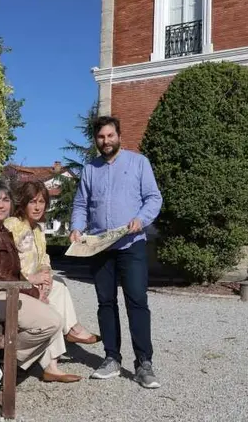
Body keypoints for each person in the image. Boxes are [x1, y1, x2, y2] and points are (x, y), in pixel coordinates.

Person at [0, 180, 82, 383]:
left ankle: (16, 361)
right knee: (51, 321)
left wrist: (34, 286)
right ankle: (6, 360)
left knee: (52, 311)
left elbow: (12, 271)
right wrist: (32, 292)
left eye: (5, 200)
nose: (1, 205)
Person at [70, 115, 163, 389]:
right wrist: (76, 228)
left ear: (118, 135)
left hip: (131, 244)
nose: (106, 141)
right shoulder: (90, 169)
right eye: (101, 137)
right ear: (95, 139)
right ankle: (111, 357)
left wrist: (141, 219)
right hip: (100, 248)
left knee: (136, 301)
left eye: (110, 136)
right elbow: (80, 205)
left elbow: (154, 198)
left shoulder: (138, 163)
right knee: (106, 303)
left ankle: (144, 363)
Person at [3, 180, 100, 346]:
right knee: (58, 291)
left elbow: (43, 257)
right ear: (23, 203)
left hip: (34, 282)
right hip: (15, 284)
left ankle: (68, 333)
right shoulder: (12, 225)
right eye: (32, 202)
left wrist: (46, 273)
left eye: (41, 202)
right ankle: (71, 331)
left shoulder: (38, 229)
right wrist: (32, 279)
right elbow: (6, 263)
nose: (37, 207)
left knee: (58, 285)